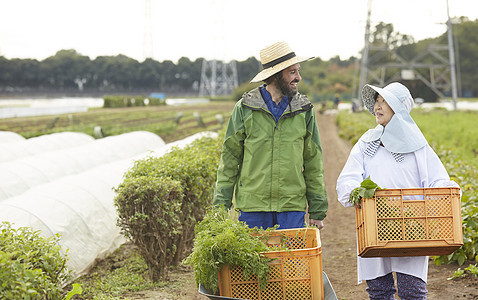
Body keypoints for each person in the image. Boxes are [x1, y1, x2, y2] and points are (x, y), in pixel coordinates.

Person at [336, 82, 460, 299]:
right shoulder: (367, 143)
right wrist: (354, 192)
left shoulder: (418, 146)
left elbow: (438, 180)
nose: (377, 106)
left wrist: (447, 190)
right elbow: (348, 178)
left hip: (412, 227)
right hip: (374, 226)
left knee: (411, 291)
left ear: (399, 107)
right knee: (379, 291)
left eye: (384, 101)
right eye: (376, 101)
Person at [213, 41, 328, 230]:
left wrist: (317, 210)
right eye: (292, 72)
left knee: (292, 260)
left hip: (291, 207)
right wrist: (220, 207)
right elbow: (229, 160)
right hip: (252, 207)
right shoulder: (245, 109)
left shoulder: (304, 110)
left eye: (298, 71)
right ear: (275, 76)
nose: (298, 77)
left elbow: (313, 162)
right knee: (257, 259)